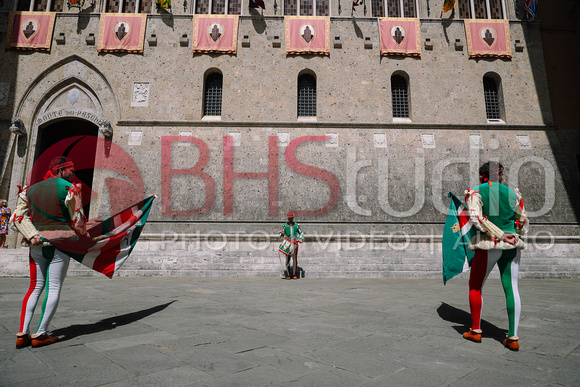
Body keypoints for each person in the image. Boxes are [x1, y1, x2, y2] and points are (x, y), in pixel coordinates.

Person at [12, 156, 86, 349]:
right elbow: (78, 220)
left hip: (36, 246)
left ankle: (22, 334)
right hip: (60, 245)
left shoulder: (29, 191)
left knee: (35, 287)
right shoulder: (70, 189)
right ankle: (41, 333)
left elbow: (18, 217)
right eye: (70, 169)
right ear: (60, 170)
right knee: (53, 288)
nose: (73, 173)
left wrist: (32, 235)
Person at [462, 161, 528, 351]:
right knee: (512, 288)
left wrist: (499, 235)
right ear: (499, 174)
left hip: (488, 245)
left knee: (475, 286)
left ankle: (475, 330)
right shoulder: (513, 193)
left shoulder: (475, 192)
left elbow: (477, 218)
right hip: (512, 245)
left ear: (482, 175)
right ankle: (513, 337)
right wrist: (512, 233)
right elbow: (522, 218)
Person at [279, 212, 303, 279]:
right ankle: (289, 274)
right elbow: (281, 234)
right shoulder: (285, 226)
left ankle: (294, 274)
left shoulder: (296, 225)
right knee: (287, 259)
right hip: (287, 244)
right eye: (289, 219)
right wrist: (282, 233)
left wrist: (301, 239)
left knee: (294, 259)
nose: (290, 220)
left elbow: (301, 233)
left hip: (294, 243)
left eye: (291, 218)